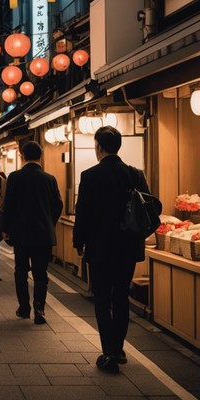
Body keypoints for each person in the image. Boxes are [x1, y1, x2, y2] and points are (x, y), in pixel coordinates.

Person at [73, 126, 152, 374]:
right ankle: (118, 349)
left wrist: (78, 241)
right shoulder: (135, 174)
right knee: (120, 298)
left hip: (99, 246)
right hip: (128, 246)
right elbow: (147, 208)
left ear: (98, 146)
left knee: (102, 298)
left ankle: (107, 351)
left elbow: (82, 212)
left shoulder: (90, 176)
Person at [2, 140, 63, 324]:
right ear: (40, 156)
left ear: (22, 156)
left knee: (20, 271)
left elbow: (8, 206)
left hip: (21, 233)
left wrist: (6, 229)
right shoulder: (49, 179)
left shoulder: (14, 177)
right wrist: (49, 222)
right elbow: (58, 205)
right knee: (40, 273)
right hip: (43, 234)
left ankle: (24, 307)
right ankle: (40, 308)